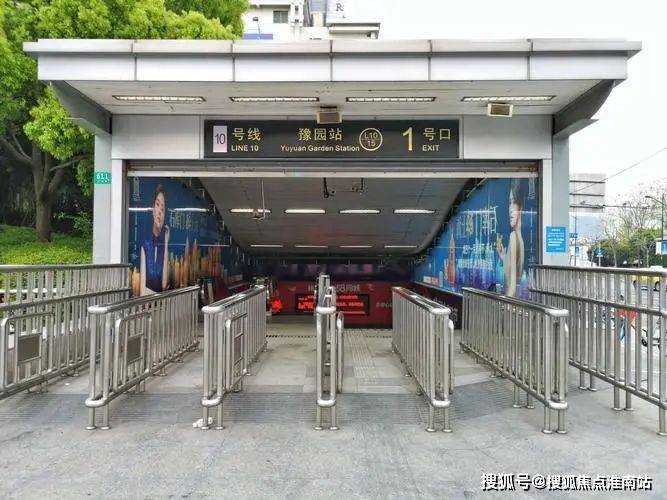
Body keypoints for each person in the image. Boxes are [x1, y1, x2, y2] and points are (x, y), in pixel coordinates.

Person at [496, 180, 525, 297]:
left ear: (521, 207)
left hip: (511, 301)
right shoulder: (519, 239)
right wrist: (503, 256)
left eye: (514, 202)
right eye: (509, 203)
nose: (511, 209)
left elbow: (512, 286)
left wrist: (505, 304)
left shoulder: (513, 237)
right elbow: (513, 272)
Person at [140, 184, 170, 295]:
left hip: (160, 301)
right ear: (152, 208)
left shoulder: (163, 247)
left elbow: (164, 284)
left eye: (163, 209)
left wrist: (166, 242)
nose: (160, 212)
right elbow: (142, 287)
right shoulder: (145, 244)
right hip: (147, 301)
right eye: (157, 205)